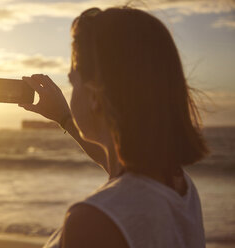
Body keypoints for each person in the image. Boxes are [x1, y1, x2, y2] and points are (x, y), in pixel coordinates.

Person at [19, 5, 209, 248]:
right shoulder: (179, 187)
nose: (71, 91)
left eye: (73, 81)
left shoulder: (95, 220)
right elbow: (118, 166)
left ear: (94, 96)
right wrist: (64, 118)